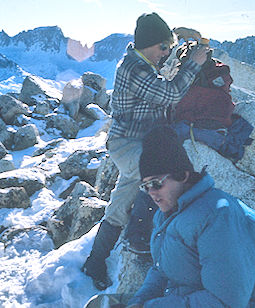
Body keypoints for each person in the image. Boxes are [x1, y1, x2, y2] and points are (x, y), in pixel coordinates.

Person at [82, 12, 208, 290]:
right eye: (163, 47)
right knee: (155, 177)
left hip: (140, 143)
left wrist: (177, 46)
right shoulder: (134, 68)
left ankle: (95, 260)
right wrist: (195, 64)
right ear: (150, 44)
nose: (166, 53)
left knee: (119, 204)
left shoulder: (144, 61)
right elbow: (170, 94)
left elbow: (163, 81)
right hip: (128, 144)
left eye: (168, 48)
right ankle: (140, 241)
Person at [84, 126, 255, 308]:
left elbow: (225, 302)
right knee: (98, 305)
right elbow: (161, 270)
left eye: (156, 183)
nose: (152, 193)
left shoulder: (219, 218)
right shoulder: (169, 213)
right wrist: (139, 302)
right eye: (145, 187)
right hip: (185, 298)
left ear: (183, 176)